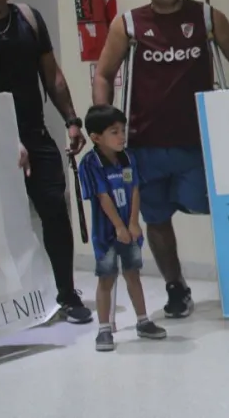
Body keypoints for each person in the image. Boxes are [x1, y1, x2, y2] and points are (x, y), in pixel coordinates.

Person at [93, 0, 229, 319]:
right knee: (156, 219)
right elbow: (104, 73)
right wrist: (102, 123)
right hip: (144, 144)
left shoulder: (207, 17)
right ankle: (176, 286)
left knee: (209, 205)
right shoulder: (129, 24)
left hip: (197, 142)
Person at [0, 0, 92, 324]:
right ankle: (7, 304)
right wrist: (4, 138)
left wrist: (72, 119)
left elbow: (52, 75)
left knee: (54, 212)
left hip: (35, 134)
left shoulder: (28, 19)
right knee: (0, 225)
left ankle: (66, 293)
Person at [78, 105, 168, 351]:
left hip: (129, 230)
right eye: (114, 132)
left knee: (133, 274)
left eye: (122, 130)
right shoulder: (91, 164)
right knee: (106, 278)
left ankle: (143, 321)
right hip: (107, 234)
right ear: (96, 137)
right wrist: (119, 226)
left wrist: (133, 222)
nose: (121, 136)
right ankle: (104, 329)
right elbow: (102, 196)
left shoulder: (128, 159)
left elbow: (134, 189)